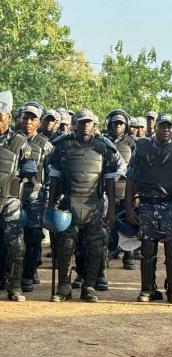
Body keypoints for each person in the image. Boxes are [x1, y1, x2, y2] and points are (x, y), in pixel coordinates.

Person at [48, 108, 121, 302]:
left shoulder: (104, 147)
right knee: (65, 245)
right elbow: (54, 177)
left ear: (95, 125)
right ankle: (64, 285)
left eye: (89, 122)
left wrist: (111, 209)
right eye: (81, 122)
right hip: (68, 202)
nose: (85, 125)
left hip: (94, 205)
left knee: (96, 247)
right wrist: (49, 206)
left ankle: (88, 286)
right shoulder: (62, 145)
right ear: (74, 124)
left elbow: (110, 181)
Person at [125, 113, 172, 303]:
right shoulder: (141, 148)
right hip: (147, 205)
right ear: (156, 127)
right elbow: (130, 180)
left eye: (169, 127)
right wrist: (129, 207)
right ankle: (147, 290)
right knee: (148, 251)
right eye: (162, 126)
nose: (165, 130)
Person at [0, 101, 38, 300]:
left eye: (0, 115)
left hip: (10, 200)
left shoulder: (19, 141)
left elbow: (30, 169)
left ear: (8, 116)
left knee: (17, 244)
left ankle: (15, 286)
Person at [20, 106, 54, 292]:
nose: (28, 122)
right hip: (13, 197)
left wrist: (48, 198)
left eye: (33, 119)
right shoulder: (11, 141)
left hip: (36, 198)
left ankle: (29, 273)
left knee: (33, 237)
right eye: (25, 118)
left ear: (38, 122)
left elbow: (52, 174)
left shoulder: (45, 145)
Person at [106, 110, 137, 270]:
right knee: (108, 223)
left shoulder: (132, 143)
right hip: (108, 189)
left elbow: (137, 167)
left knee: (127, 221)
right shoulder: (103, 141)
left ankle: (128, 254)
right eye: (115, 123)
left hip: (127, 188)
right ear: (109, 124)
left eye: (121, 123)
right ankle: (108, 251)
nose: (118, 126)